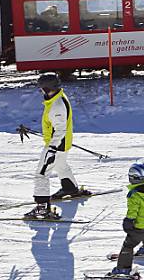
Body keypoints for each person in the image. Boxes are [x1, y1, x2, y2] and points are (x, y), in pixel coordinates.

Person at [24, 73, 88, 220]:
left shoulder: (57, 105)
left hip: (56, 145)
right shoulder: (54, 99)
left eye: (41, 88)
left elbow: (60, 130)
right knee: (61, 165)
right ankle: (70, 188)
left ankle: (41, 209)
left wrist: (52, 147)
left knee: (41, 174)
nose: (40, 91)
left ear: (47, 88)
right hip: (60, 143)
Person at [110, 162, 144, 277]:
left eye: (131, 176)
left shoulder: (135, 195)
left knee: (128, 245)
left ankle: (123, 269)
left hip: (139, 225)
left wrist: (128, 221)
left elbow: (133, 211)